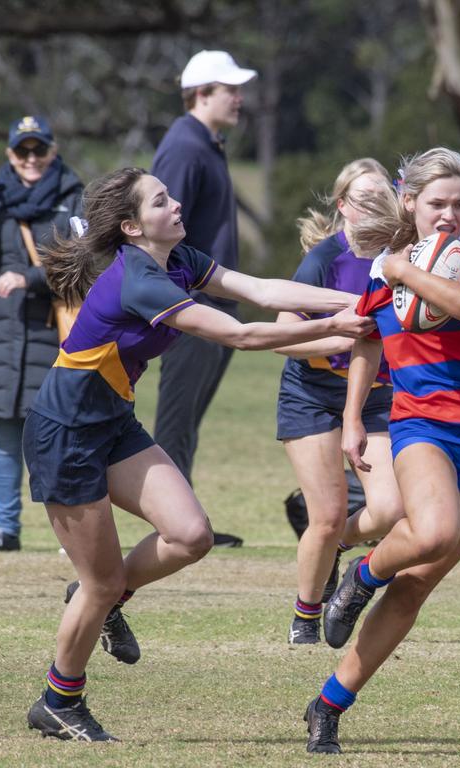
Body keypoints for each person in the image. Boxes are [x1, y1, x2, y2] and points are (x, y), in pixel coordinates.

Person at [23, 167, 373, 741]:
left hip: (111, 422)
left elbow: (260, 290)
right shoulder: (138, 278)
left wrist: (357, 299)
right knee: (101, 583)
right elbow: (239, 334)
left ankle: (102, 596)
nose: (177, 203)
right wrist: (336, 326)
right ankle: (60, 700)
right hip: (65, 433)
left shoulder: (179, 258)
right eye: (162, 201)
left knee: (191, 536)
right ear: (134, 226)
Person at [302, 148, 460, 753]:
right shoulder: (383, 270)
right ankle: (364, 574)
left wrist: (402, 272)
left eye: (459, 203)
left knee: (418, 584)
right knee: (432, 531)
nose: (448, 215)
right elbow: (368, 340)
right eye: (436, 203)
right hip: (422, 425)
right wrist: (350, 417)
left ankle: (328, 703)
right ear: (411, 203)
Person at [276, 158, 405, 645]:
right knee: (327, 515)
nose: (372, 206)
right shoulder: (323, 261)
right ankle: (306, 616)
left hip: (373, 397)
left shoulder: (400, 257)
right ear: (343, 206)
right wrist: (340, 340)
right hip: (311, 394)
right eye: (362, 198)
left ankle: (334, 550)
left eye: (381, 196)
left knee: (390, 509)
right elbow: (284, 337)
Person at [150, 49, 258, 547]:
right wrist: (177, 305)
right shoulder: (185, 147)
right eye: (229, 89)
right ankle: (175, 527)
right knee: (176, 418)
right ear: (200, 94)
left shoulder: (206, 143)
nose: (239, 98)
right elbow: (159, 232)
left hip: (212, 303)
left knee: (188, 419)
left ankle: (187, 522)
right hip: (189, 305)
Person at [0, 116, 83, 553]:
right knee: (3, 433)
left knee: (54, 435)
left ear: (52, 150)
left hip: (56, 331)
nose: (31, 159)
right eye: (22, 151)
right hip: (3, 331)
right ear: (10, 155)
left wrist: (29, 277)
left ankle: (73, 536)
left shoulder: (74, 196)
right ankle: (5, 527)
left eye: (39, 150)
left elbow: (82, 261)